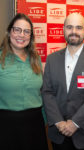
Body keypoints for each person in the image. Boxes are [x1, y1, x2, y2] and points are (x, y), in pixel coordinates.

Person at [42, 13, 84, 150]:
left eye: (78, 27)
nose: (74, 32)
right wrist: (58, 121)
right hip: (58, 132)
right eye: (69, 27)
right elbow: (47, 92)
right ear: (63, 29)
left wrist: (75, 123)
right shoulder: (52, 59)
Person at [0, 13, 48, 150]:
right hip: (6, 126)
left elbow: (40, 92)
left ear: (31, 37)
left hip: (35, 123)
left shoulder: (35, 59)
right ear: (9, 32)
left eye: (27, 31)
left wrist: (43, 119)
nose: (22, 35)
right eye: (17, 30)